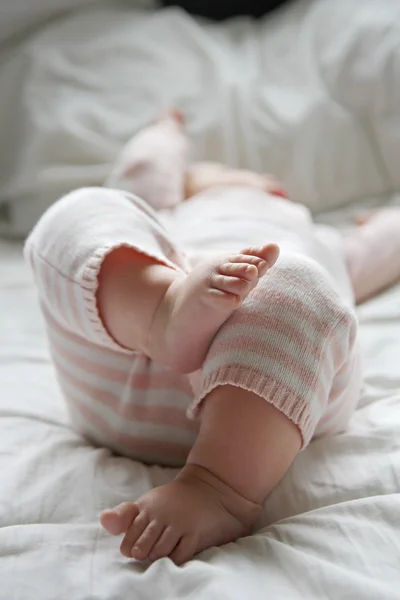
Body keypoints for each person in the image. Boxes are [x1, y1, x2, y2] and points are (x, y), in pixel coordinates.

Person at [25, 110, 400, 565]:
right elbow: (142, 173)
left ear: (274, 190)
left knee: (297, 280)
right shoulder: (167, 214)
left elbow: (385, 245)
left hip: (278, 404)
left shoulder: (317, 236)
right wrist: (165, 130)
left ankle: (220, 489)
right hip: (136, 351)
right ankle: (162, 311)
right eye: (209, 175)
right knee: (81, 211)